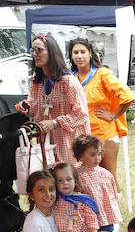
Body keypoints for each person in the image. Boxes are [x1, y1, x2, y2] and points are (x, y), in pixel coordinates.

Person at [68, 37, 135, 187]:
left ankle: (115, 209)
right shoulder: (71, 78)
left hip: (105, 136)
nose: (79, 56)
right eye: (76, 52)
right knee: (87, 182)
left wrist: (114, 115)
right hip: (81, 137)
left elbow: (127, 96)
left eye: (83, 52)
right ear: (71, 55)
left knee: (108, 179)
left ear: (90, 53)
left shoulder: (102, 74)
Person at [18, 33, 89, 166]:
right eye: (32, 50)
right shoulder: (36, 82)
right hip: (44, 145)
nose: (35, 54)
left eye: (39, 50)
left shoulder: (68, 82)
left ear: (51, 52)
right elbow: (34, 111)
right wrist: (26, 108)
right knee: (47, 182)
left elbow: (81, 114)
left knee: (68, 183)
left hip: (67, 144)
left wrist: (55, 122)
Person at [73, 133, 121, 232]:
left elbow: (112, 193)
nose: (97, 158)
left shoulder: (105, 173)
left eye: (99, 154)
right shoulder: (77, 175)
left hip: (106, 216)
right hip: (90, 219)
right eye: (92, 155)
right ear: (80, 156)